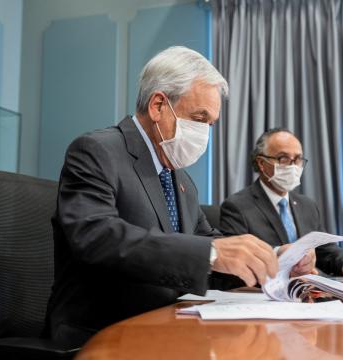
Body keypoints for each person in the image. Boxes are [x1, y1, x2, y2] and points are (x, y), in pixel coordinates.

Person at [44, 47, 315, 347]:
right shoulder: (97, 151)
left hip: (169, 326)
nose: (205, 133)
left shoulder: (181, 179)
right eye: (199, 118)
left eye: (210, 124)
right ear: (159, 105)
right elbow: (96, 236)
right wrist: (212, 253)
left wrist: (274, 259)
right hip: (101, 331)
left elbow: (210, 256)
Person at [220, 128, 343, 278]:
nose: (293, 166)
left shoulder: (307, 205)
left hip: (308, 295)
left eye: (297, 159)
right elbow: (235, 264)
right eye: (283, 158)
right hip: (263, 297)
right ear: (262, 164)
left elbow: (325, 250)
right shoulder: (237, 206)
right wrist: (278, 256)